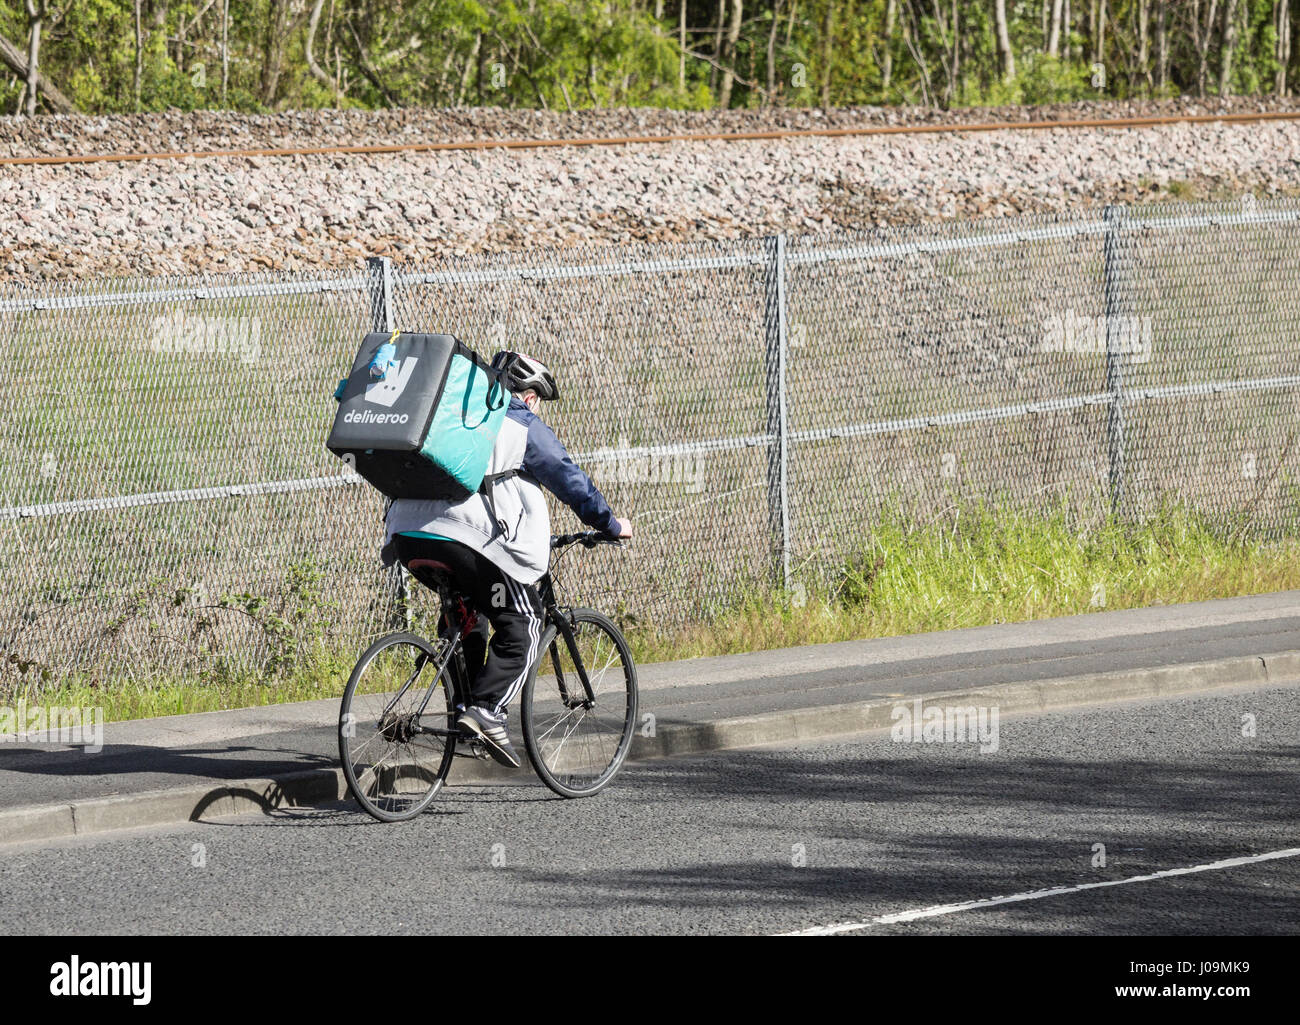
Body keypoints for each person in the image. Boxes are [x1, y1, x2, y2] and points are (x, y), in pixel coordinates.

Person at [380, 350, 631, 768]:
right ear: (529, 396)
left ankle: (461, 714)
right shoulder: (518, 421)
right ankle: (487, 712)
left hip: (408, 536)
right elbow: (568, 477)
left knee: (470, 615)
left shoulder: (449, 412)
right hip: (465, 539)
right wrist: (608, 523)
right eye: (537, 399)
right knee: (526, 624)